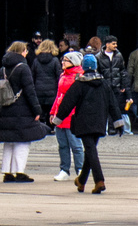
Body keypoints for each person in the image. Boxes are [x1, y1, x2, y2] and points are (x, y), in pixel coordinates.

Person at [56, 53, 121, 194]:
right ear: (96, 67)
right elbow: (113, 104)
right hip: (99, 122)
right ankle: (81, 180)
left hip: (84, 123)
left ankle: (99, 180)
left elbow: (67, 103)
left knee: (91, 151)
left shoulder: (79, 83)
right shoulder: (104, 84)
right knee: (90, 151)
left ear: (84, 67)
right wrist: (118, 122)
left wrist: (57, 119)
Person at [1, 41, 45, 182]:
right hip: (22, 109)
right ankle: (19, 171)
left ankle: (7, 172)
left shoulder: (3, 68)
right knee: (23, 141)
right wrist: (37, 110)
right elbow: (30, 91)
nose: (27, 53)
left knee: (9, 141)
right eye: (25, 50)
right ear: (21, 51)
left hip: (5, 108)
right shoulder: (23, 68)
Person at [50, 51, 86, 181]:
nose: (63, 62)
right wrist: (53, 112)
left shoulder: (80, 76)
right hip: (61, 114)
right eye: (63, 60)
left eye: (66, 60)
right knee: (63, 144)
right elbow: (58, 95)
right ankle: (64, 169)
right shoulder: (63, 76)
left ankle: (80, 168)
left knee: (76, 145)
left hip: (73, 115)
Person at [97, 37, 132, 136]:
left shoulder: (118, 56)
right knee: (104, 108)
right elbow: (98, 72)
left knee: (115, 107)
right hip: (105, 86)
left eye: (116, 44)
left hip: (116, 86)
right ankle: (106, 128)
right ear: (107, 44)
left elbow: (122, 71)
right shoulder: (99, 57)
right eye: (113, 44)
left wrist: (123, 85)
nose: (115, 46)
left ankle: (114, 128)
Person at [30, 39, 60, 122]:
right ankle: (50, 127)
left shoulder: (36, 61)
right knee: (50, 112)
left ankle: (42, 127)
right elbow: (58, 76)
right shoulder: (55, 60)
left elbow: (32, 76)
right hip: (52, 91)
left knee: (41, 112)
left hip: (38, 90)